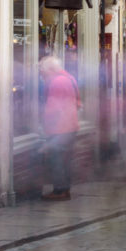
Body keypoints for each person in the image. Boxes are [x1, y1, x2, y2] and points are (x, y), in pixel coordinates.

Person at [38, 55, 80, 201]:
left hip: (60, 129)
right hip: (71, 126)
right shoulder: (70, 78)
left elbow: (52, 109)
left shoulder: (57, 82)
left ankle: (60, 191)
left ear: (50, 70)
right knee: (65, 160)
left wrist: (42, 124)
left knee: (57, 160)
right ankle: (65, 189)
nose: (42, 76)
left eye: (43, 72)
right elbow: (78, 103)